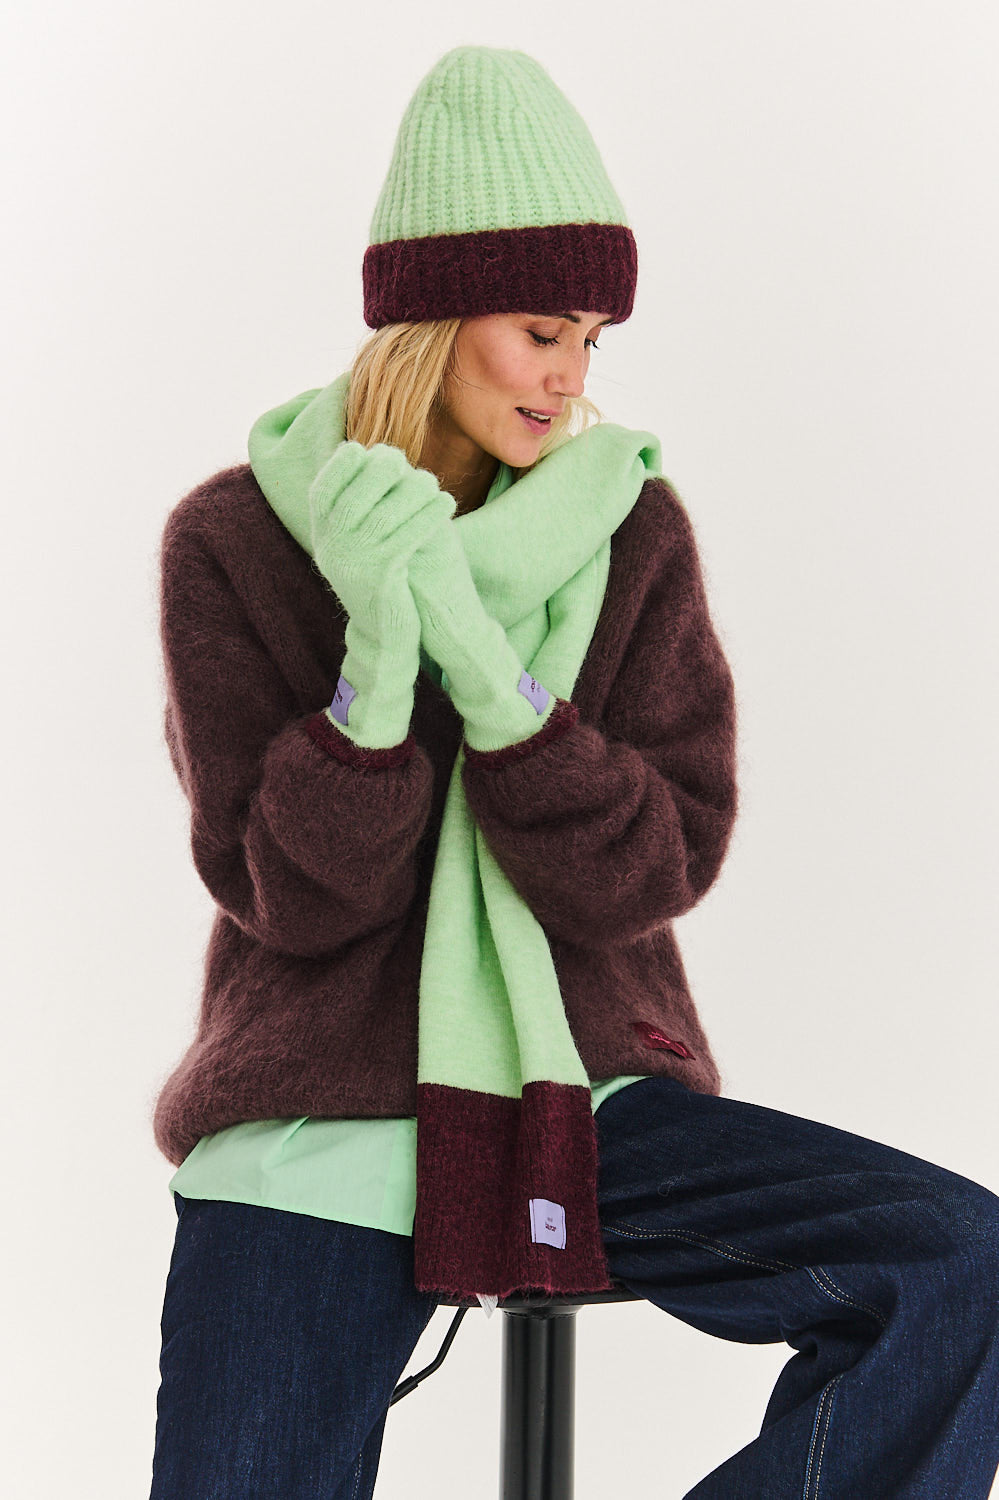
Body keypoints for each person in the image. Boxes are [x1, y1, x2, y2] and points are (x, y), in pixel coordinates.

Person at [147, 44, 999, 1500]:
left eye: (591, 339)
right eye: (541, 329)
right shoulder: (235, 541)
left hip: (577, 1095)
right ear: (427, 321)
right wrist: (377, 655)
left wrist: (491, 679)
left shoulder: (628, 531)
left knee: (957, 1265)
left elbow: (653, 867)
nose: (570, 377)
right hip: (316, 1117)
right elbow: (293, 896)